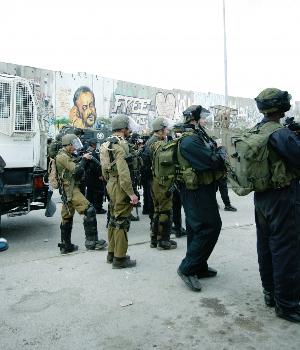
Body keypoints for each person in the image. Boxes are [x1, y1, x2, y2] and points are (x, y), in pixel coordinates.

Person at [253, 88, 300, 323]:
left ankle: (270, 293)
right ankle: (288, 304)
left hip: (262, 197)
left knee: (266, 245)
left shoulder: (258, 129)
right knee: (286, 249)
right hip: (282, 197)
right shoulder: (281, 134)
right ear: (280, 107)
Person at [176, 105, 227, 291]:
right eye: (203, 118)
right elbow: (212, 161)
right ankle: (187, 268)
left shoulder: (196, 137)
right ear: (194, 120)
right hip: (196, 191)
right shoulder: (190, 141)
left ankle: (199, 266)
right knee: (210, 227)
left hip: (200, 189)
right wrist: (221, 151)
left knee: (196, 228)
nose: (206, 121)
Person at [55, 134, 107, 254]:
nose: (74, 147)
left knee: (67, 216)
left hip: (68, 189)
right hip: (70, 189)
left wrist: (83, 158)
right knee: (89, 210)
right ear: (67, 145)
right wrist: (84, 159)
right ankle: (92, 242)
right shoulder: (62, 157)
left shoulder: (66, 155)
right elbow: (77, 170)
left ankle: (66, 245)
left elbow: (74, 163)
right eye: (73, 145)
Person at [100, 115, 139, 269]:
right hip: (121, 186)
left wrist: (110, 181)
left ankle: (111, 253)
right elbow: (124, 174)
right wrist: (131, 194)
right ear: (123, 129)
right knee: (121, 220)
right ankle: (120, 258)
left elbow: (103, 169)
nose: (129, 130)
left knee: (113, 218)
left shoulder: (107, 144)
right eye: (128, 127)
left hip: (111, 184)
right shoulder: (121, 146)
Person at [145, 118, 177, 250]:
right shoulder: (158, 143)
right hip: (161, 181)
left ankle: (155, 239)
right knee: (165, 209)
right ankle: (163, 240)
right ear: (160, 130)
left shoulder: (150, 141)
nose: (167, 131)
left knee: (158, 209)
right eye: (166, 129)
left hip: (153, 180)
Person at [85, 138, 106, 214]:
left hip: (89, 176)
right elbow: (95, 165)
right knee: (98, 192)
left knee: (90, 192)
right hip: (95, 176)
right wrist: (100, 174)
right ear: (93, 144)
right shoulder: (93, 152)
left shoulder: (87, 151)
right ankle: (98, 208)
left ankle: (90, 207)